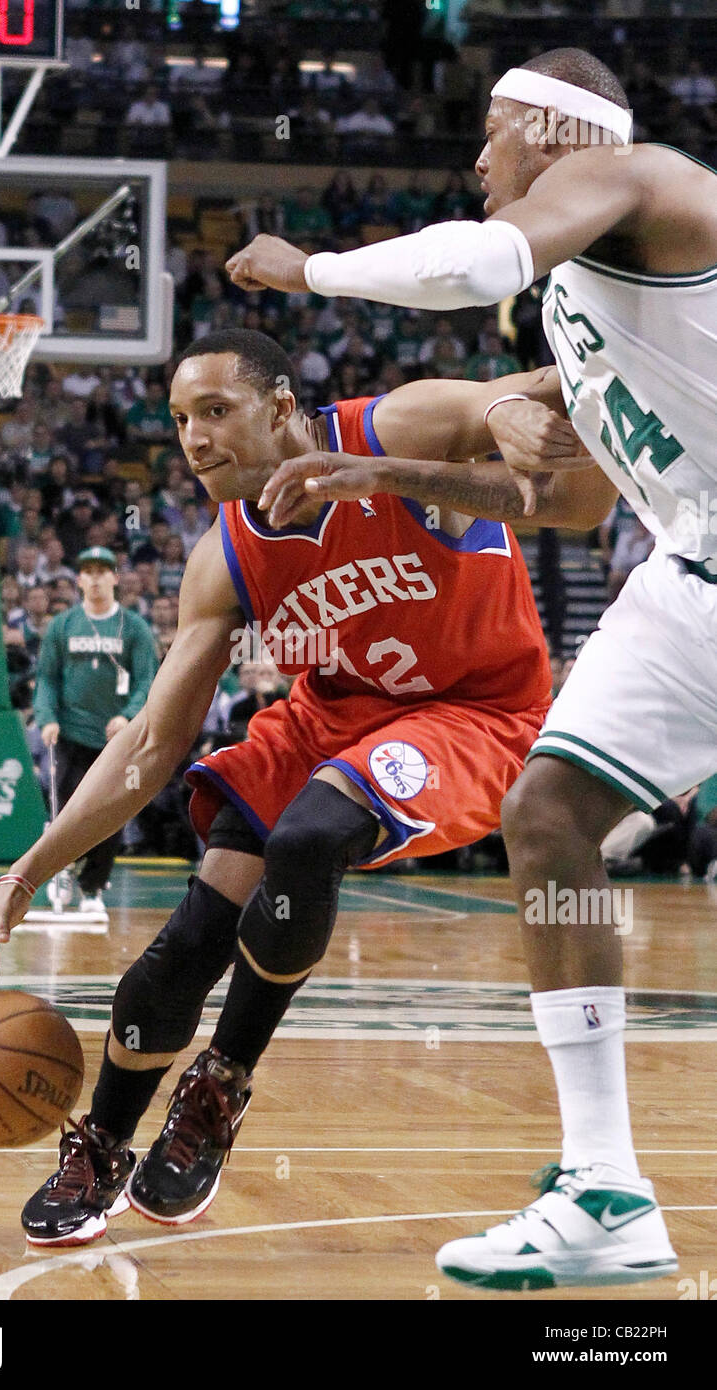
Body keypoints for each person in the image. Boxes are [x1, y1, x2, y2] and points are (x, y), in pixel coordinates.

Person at [0, 329, 614, 1249]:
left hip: (475, 712)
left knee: (308, 833)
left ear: (285, 405)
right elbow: (146, 752)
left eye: (217, 411)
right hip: (328, 716)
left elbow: (522, 387)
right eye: (180, 421)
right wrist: (21, 875)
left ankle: (220, 1086)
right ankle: (103, 1142)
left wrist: (512, 408)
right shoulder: (225, 557)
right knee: (190, 942)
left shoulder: (387, 426)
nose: (196, 438)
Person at [224, 45, 717, 1291]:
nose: (476, 160)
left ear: (554, 132)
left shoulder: (640, 179)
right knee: (546, 814)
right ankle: (603, 1187)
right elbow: (555, 503)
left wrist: (313, 268)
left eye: (492, 135)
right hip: (691, 565)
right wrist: (380, 474)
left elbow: (477, 258)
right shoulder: (578, 307)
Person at [32, 546, 158, 917]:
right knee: (64, 813)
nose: (97, 578)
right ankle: (60, 871)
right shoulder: (62, 625)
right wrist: (46, 717)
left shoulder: (134, 627)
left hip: (115, 741)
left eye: (104, 571)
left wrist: (128, 716)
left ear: (115, 578)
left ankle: (93, 888)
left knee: (110, 814)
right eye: (89, 571)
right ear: (79, 580)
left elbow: (147, 681)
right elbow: (47, 679)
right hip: (69, 734)